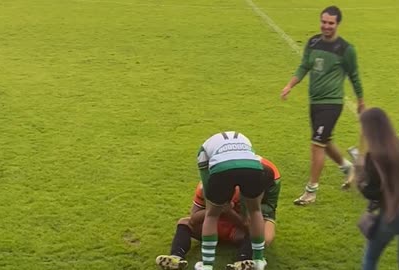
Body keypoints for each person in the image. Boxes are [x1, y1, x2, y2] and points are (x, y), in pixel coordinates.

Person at [280, 5, 365, 205]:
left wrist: (361, 100)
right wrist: (289, 85)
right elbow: (304, 66)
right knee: (324, 142)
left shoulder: (346, 49)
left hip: (332, 103)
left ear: (337, 24)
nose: (326, 26)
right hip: (315, 102)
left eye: (330, 23)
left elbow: (354, 76)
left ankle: (311, 191)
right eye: (323, 22)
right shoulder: (313, 42)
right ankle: (348, 168)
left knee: (316, 144)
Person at [155, 156, 281, 270]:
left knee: (256, 234)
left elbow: (247, 223)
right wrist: (216, 210)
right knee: (184, 222)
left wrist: (229, 212)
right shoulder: (203, 188)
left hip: (234, 230)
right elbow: (194, 219)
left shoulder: (243, 192)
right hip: (211, 227)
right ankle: (175, 258)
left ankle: (242, 262)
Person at [355, 108, 399, 270]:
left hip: (394, 213)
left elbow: (372, 192)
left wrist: (360, 178)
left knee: (370, 260)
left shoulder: (374, 157)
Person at [197, 131, 266, 270]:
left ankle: (207, 265)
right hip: (253, 167)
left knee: (211, 215)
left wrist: (214, 201)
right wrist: (245, 212)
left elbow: (206, 180)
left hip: (222, 169)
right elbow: (249, 161)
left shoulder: (203, 148)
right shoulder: (244, 138)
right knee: (255, 211)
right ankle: (259, 260)